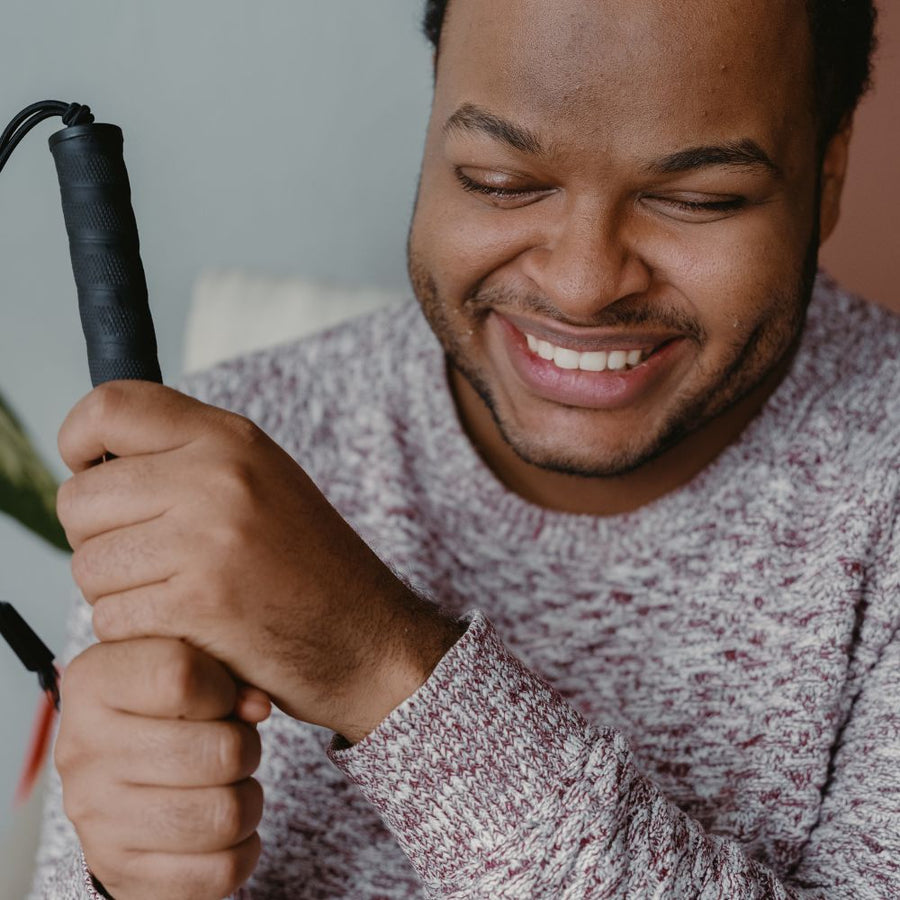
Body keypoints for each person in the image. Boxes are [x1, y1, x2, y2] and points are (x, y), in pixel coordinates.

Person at [30, 0, 897, 897]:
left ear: (830, 170)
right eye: (499, 180)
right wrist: (122, 883)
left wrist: (376, 664)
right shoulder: (223, 472)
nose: (583, 283)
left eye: (697, 199)